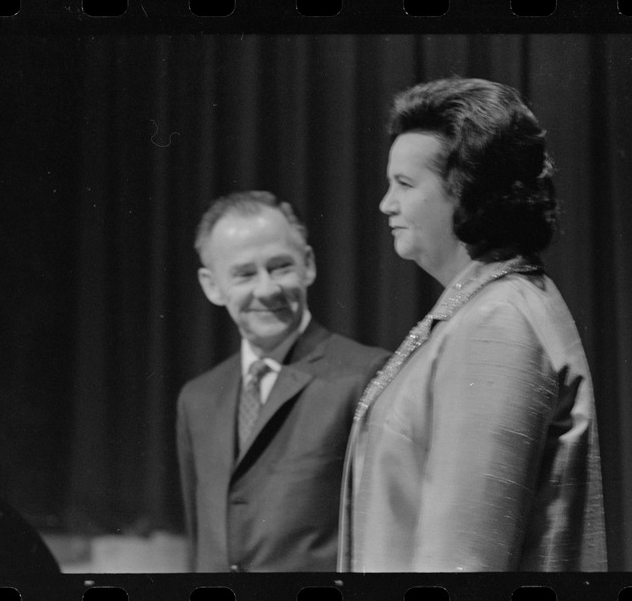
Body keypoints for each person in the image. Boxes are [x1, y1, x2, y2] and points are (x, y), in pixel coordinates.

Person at [339, 77, 608, 572]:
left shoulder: (497, 321)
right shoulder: (485, 306)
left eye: (404, 184)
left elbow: (464, 562)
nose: (385, 204)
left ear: (467, 189)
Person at [177, 191, 389, 572]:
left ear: (307, 264)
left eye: (280, 267)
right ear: (212, 286)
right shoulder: (198, 398)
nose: (267, 289)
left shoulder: (365, 375)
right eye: (244, 274)